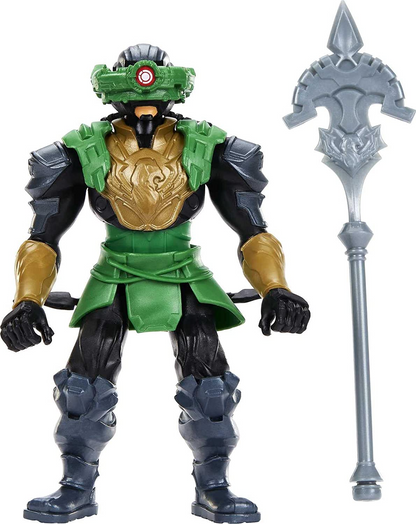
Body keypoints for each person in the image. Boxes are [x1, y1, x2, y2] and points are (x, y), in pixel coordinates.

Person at [1, 44, 310, 524]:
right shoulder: (80, 150)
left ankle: (214, 487)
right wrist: (27, 299)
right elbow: (43, 238)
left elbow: (253, 230)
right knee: (83, 389)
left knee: (210, 390)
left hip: (184, 273)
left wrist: (276, 287)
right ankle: (75, 487)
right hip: (114, 276)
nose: (145, 107)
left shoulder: (209, 146)